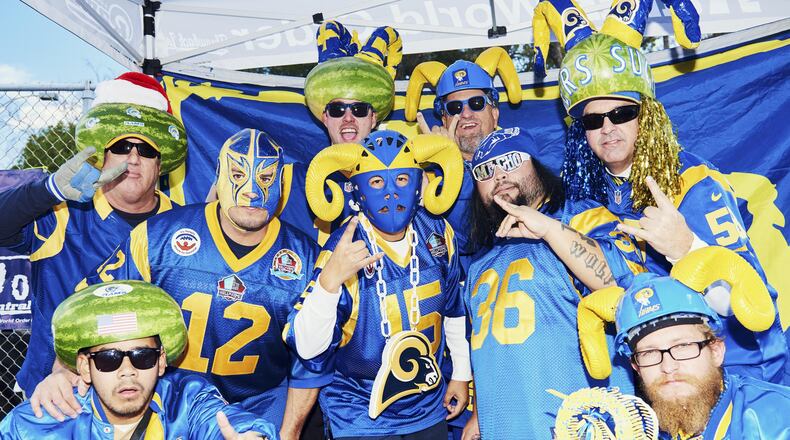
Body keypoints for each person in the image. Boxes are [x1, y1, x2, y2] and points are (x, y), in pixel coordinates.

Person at [31, 129, 324, 439]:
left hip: (262, 401)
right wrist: (63, 370)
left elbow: (313, 359)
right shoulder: (157, 236)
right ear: (219, 177)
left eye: (265, 178)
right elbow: (94, 304)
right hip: (171, 400)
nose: (251, 191)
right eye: (237, 174)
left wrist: (289, 432)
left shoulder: (306, 259)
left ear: (283, 183)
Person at [557, 29, 787, 384]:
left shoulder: (692, 181)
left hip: (736, 374)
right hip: (655, 385)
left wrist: (688, 250)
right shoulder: (584, 205)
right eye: (592, 120)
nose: (607, 127)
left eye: (622, 113)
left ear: (645, 116)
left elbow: (755, 307)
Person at [0, 72, 187, 397]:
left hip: (144, 399)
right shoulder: (61, 212)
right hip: (55, 397)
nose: (132, 158)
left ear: (161, 164)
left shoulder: (182, 226)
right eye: (121, 145)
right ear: (102, 154)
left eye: (146, 149)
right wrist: (49, 189)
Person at [285, 130, 471, 439]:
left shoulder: (437, 233)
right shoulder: (343, 247)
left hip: (426, 406)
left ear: (418, 185)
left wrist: (461, 374)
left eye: (400, 180)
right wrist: (330, 281)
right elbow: (307, 347)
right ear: (355, 193)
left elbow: (453, 309)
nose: (390, 194)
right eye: (375, 182)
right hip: (360, 413)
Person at [460, 128, 642, 439]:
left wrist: (549, 229)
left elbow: (624, 286)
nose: (499, 175)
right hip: (504, 425)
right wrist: (480, 411)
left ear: (537, 164)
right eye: (485, 170)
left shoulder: (582, 217)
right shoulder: (480, 261)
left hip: (582, 424)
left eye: (511, 160)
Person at [0, 280, 278, 439]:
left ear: (160, 361)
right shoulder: (34, 425)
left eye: (142, 357)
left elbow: (228, 423)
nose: (127, 371)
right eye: (109, 359)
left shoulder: (186, 401)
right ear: (85, 367)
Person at [580, 249, 789, 439]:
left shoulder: (778, 419)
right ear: (636, 367)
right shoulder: (643, 432)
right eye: (649, 353)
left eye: (682, 346)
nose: (668, 366)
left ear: (716, 350)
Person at [276, 20, 401, 246]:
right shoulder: (291, 179)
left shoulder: (399, 180)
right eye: (337, 109)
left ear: (373, 118)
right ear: (325, 117)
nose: (348, 118)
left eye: (359, 109)